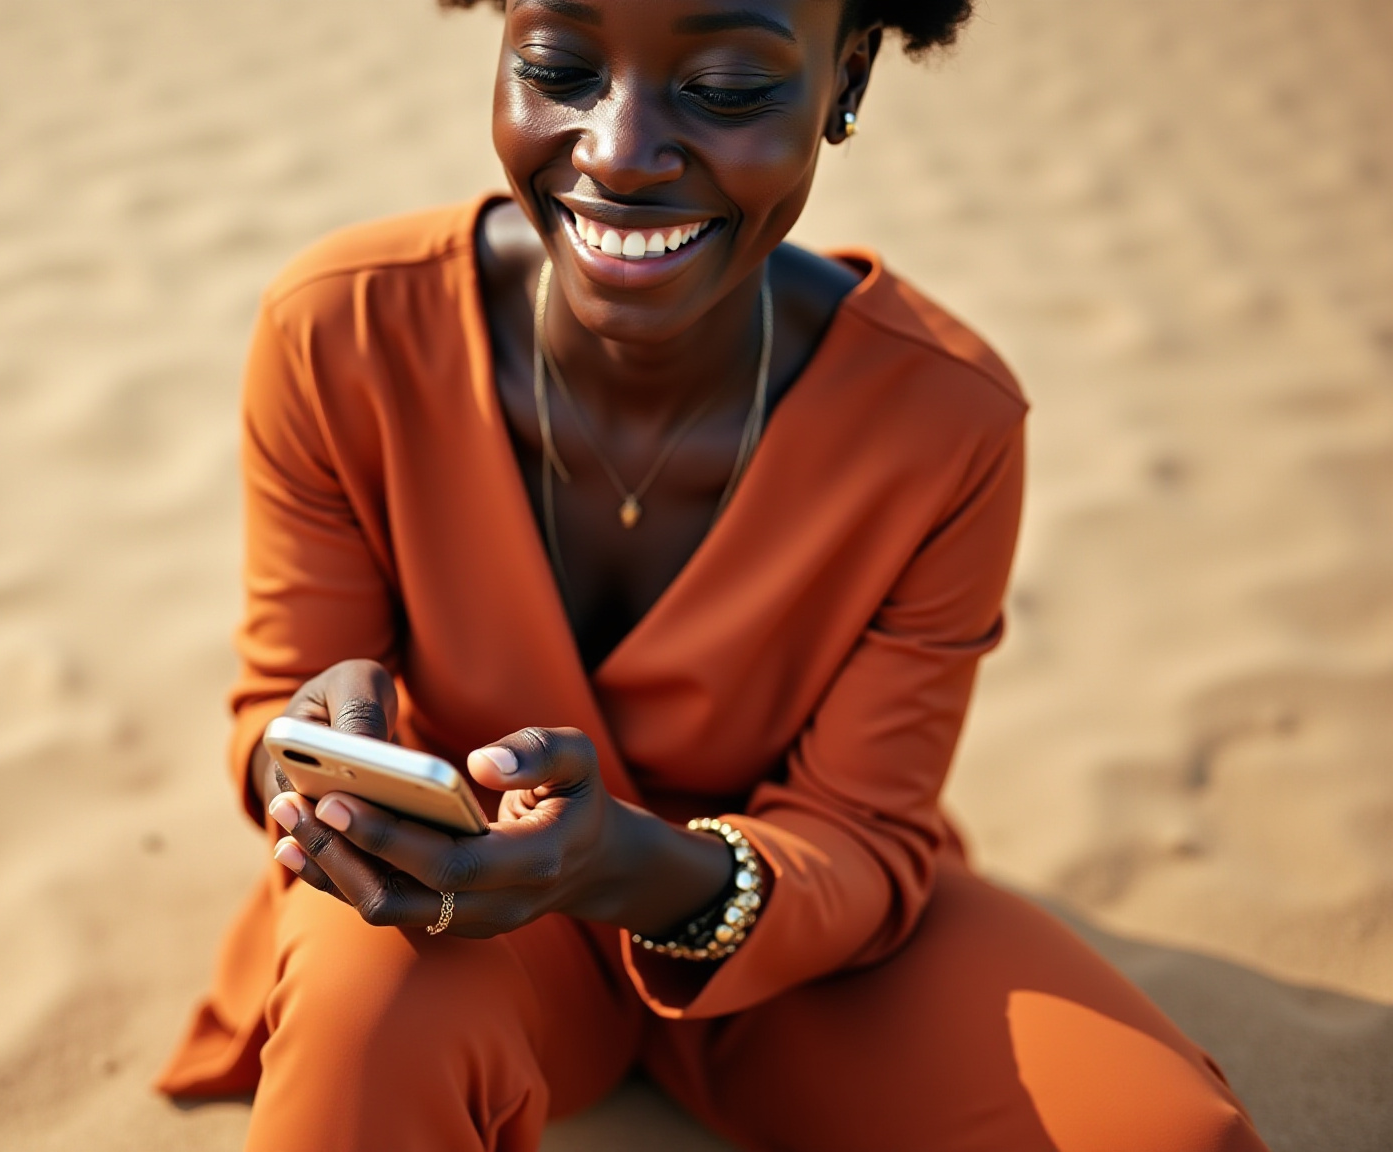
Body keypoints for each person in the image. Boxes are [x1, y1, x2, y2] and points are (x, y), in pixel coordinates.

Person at [157, 1, 1270, 1148]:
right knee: (363, 1024)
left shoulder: (944, 423)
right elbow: (271, 709)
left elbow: (863, 831)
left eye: (728, 85)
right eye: (558, 66)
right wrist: (314, 759)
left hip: (795, 937)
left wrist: (631, 867)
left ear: (844, 80)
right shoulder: (342, 330)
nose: (616, 151)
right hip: (453, 916)